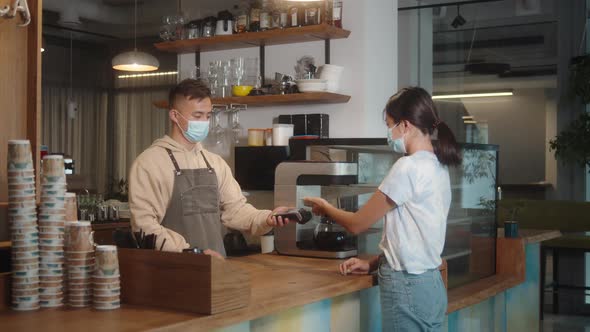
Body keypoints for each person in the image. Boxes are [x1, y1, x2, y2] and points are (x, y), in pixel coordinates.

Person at [304, 87, 461, 331]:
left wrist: (325, 208)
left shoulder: (407, 167)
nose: (389, 133)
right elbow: (415, 237)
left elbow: (358, 224)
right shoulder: (437, 166)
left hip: (407, 287)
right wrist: (374, 264)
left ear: (405, 125)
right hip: (431, 284)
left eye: (390, 125)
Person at [129, 79, 291, 258]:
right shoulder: (150, 163)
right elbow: (144, 226)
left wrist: (266, 218)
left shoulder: (214, 162)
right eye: (197, 116)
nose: (204, 122)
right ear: (175, 115)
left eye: (207, 116)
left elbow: (235, 210)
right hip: (172, 269)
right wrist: (192, 253)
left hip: (216, 265)